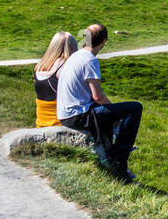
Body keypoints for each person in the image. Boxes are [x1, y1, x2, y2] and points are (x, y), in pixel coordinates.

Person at [56, 24, 142, 183]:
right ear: (104, 41)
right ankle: (120, 159)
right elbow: (98, 97)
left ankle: (112, 156)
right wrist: (113, 112)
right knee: (135, 108)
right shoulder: (90, 60)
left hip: (65, 113)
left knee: (108, 115)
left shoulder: (76, 55)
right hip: (78, 115)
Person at [33, 31, 77, 127]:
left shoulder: (40, 66)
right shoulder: (65, 67)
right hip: (59, 124)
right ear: (73, 47)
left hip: (41, 123)